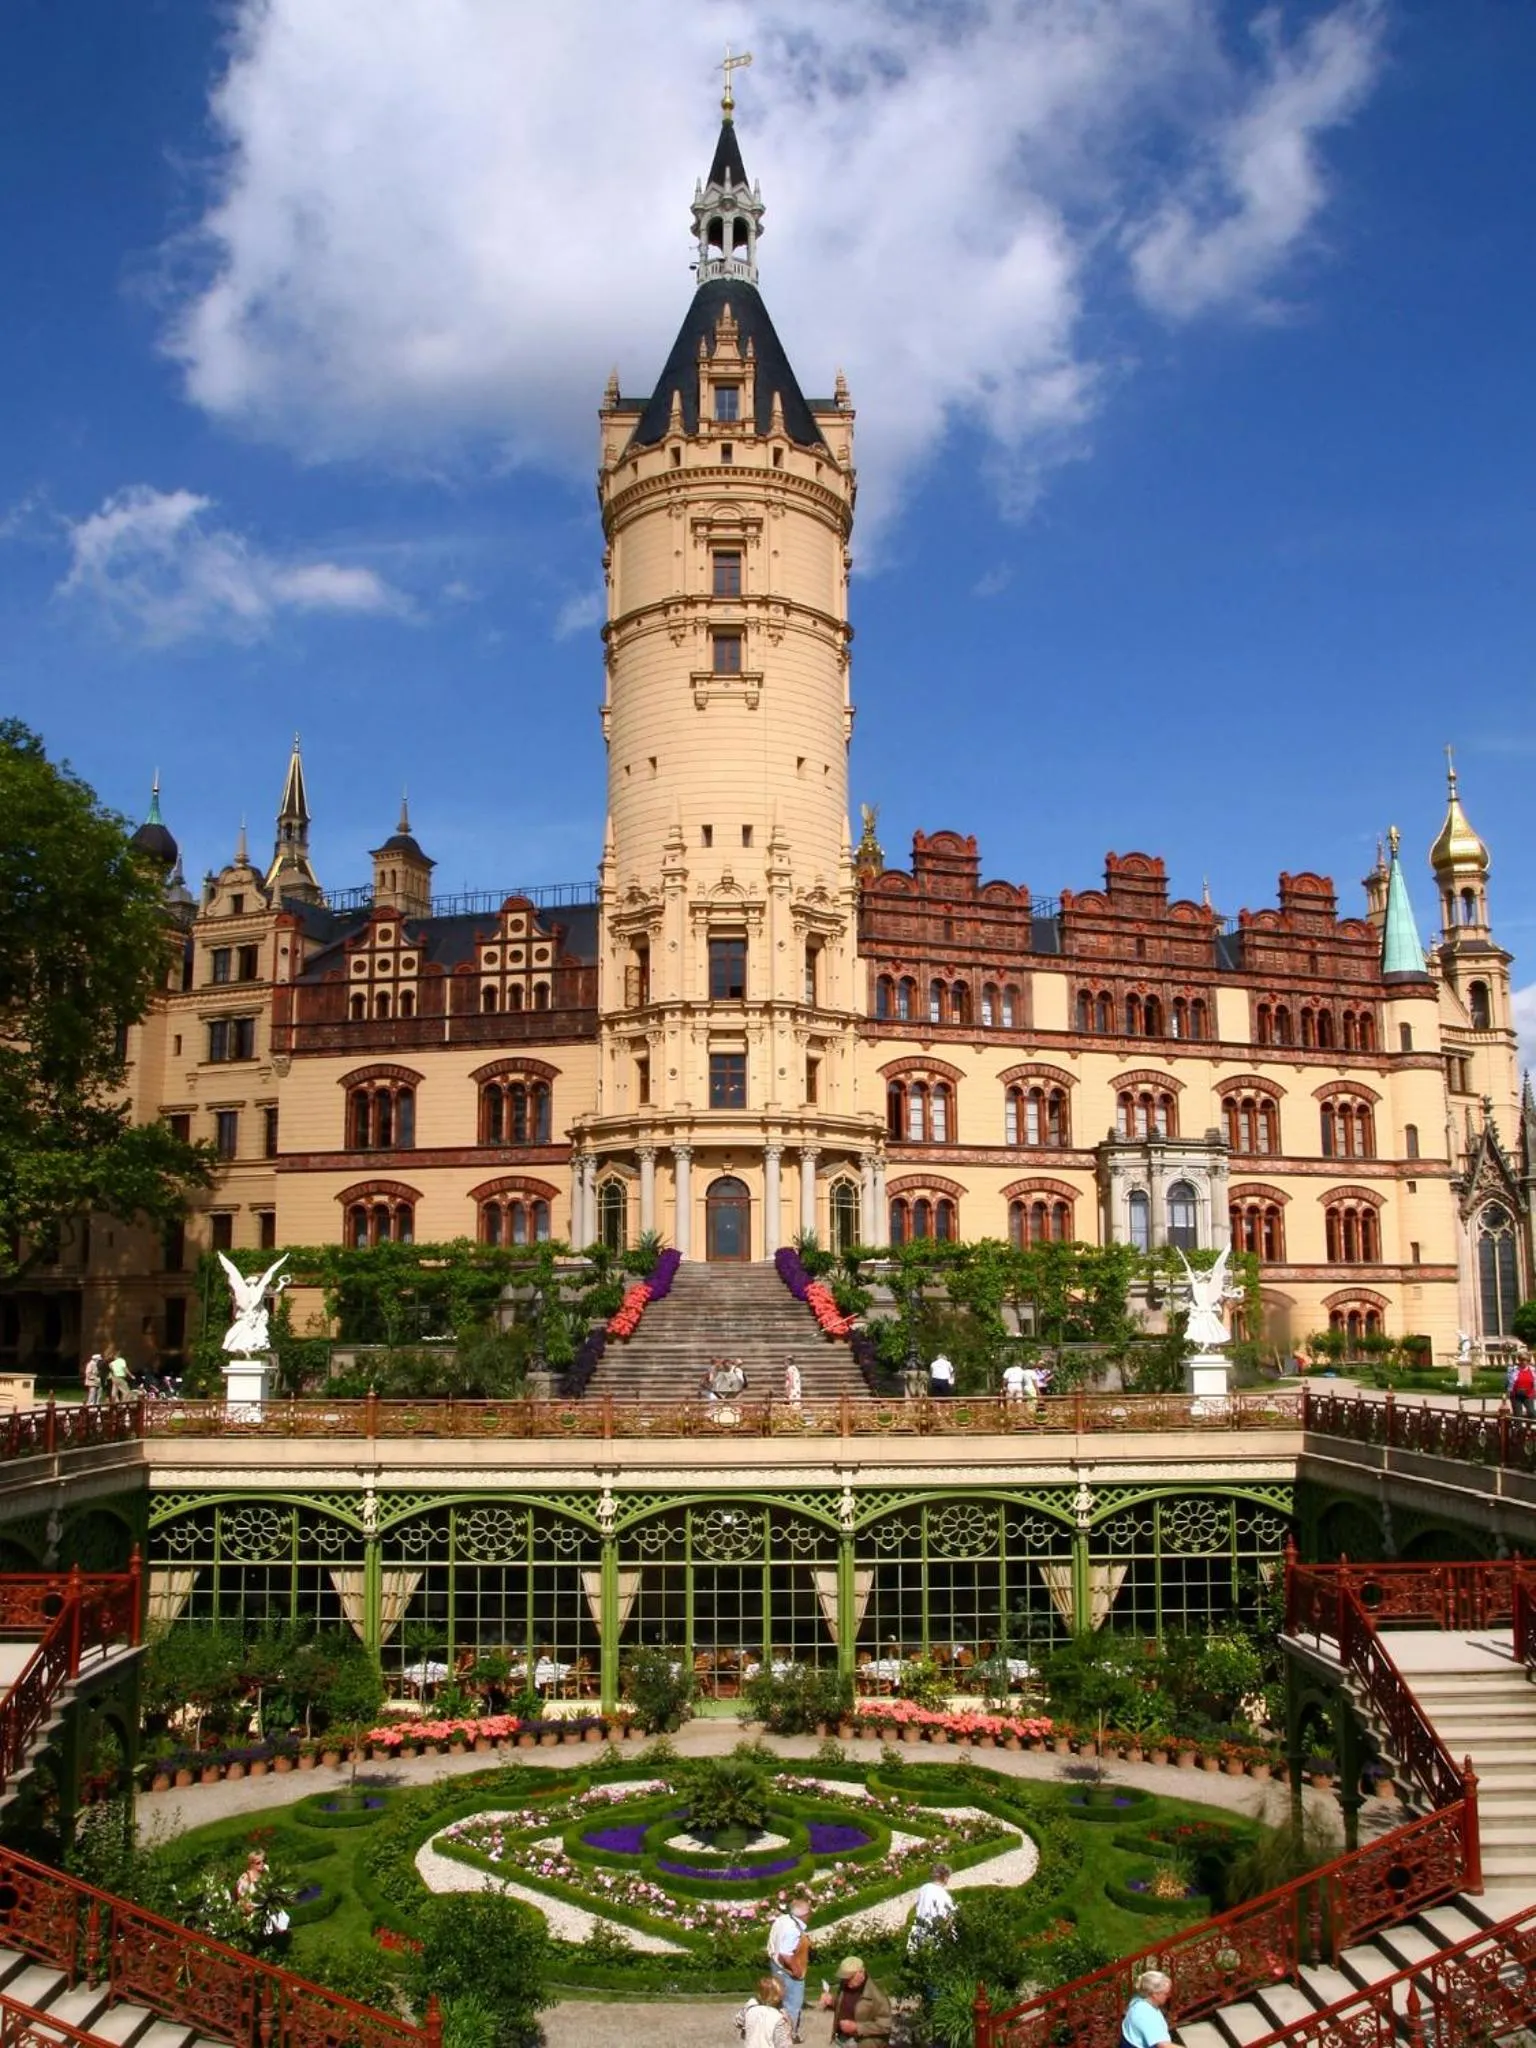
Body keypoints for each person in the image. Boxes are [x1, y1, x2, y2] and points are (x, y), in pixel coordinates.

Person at [766, 1888, 812, 2040]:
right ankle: (788, 2036)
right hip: (788, 1971)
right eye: (809, 1912)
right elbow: (786, 1954)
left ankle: (776, 2032)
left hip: (775, 1965)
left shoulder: (782, 1920)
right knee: (792, 2005)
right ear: (804, 1915)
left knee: (779, 2001)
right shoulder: (793, 1929)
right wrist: (797, 1971)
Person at [820, 1957, 890, 2044]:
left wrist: (857, 2027)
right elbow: (846, 2006)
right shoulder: (846, 1984)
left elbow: (886, 2026)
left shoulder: (877, 1996)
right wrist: (832, 2002)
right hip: (843, 2038)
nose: (845, 1981)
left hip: (864, 2042)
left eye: (849, 1977)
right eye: (844, 1978)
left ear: (861, 1973)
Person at [907, 1862, 955, 1954]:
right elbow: (946, 1917)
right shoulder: (943, 1895)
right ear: (945, 1877)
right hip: (934, 1934)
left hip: (919, 1930)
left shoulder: (924, 1889)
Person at [1120, 1968, 1172, 2048]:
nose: (1169, 1996)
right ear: (1155, 1994)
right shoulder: (1145, 2014)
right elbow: (1164, 2046)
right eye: (1167, 1993)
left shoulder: (1139, 2000)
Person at [737, 1977, 792, 2048]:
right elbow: (782, 2044)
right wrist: (788, 2025)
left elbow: (738, 2022)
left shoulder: (750, 2008)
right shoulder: (778, 2017)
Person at [1510, 1356, 1536, 1420]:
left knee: (1531, 1412)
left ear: (1528, 1362)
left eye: (1525, 1361)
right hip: (1516, 1395)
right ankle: (1518, 1429)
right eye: (1521, 1360)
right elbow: (1510, 1381)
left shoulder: (1532, 1370)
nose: (1523, 1362)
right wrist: (1509, 1391)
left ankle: (1529, 1427)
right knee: (1518, 1415)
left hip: (1528, 1395)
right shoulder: (1514, 1370)